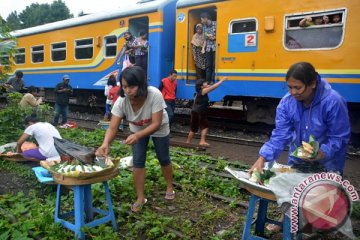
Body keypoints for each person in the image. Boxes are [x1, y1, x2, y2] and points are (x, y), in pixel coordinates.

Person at [250, 62, 350, 176]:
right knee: (296, 191)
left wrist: (322, 152)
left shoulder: (333, 102)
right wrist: (263, 158)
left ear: (313, 84)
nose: (293, 92)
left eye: (298, 88)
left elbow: (339, 137)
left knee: (323, 193)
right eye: (290, 87)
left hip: (328, 164)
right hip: (298, 161)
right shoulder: (286, 103)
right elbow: (280, 134)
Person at [96, 66, 174, 212]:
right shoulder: (121, 101)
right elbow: (112, 127)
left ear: (141, 84)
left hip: (158, 126)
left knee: (163, 158)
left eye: (132, 86)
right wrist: (105, 143)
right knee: (138, 162)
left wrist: (138, 136)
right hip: (137, 128)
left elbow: (156, 123)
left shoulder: (154, 94)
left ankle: (170, 186)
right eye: (125, 86)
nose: (128, 90)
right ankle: (140, 197)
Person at [186, 77, 227, 147]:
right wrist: (222, 81)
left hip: (199, 112)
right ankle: (189, 142)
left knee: (203, 126)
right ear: (202, 86)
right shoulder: (203, 91)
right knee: (195, 128)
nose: (206, 83)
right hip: (198, 112)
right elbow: (214, 87)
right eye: (204, 83)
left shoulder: (200, 91)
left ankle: (198, 141)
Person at [201, 12, 216, 84]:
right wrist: (203, 48)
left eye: (202, 20)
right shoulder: (204, 27)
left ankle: (213, 80)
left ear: (206, 18)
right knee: (208, 65)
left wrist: (214, 38)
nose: (201, 21)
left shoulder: (216, 24)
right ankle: (207, 81)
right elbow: (205, 39)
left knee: (214, 65)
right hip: (208, 48)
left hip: (215, 48)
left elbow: (221, 35)